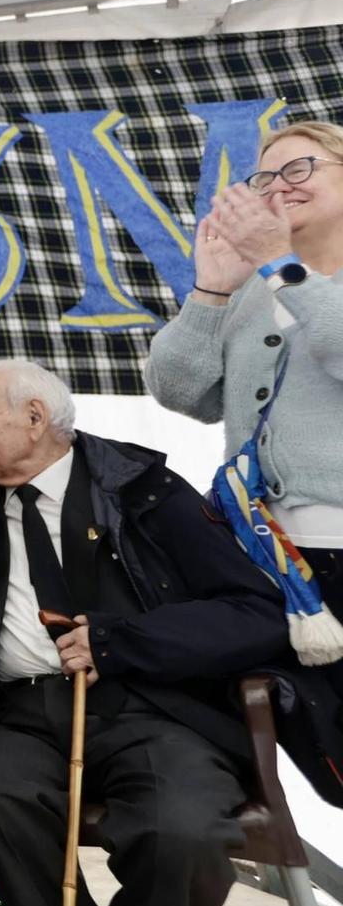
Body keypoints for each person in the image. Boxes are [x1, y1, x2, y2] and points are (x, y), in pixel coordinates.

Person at [0, 359, 289, 906]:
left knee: (180, 830)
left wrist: (120, 642)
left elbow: (257, 612)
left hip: (150, 709)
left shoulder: (145, 492)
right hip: (21, 714)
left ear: (34, 418)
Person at [147, 121, 343, 614]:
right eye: (265, 177)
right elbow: (181, 392)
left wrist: (278, 263)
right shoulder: (252, 290)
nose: (279, 184)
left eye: (300, 168)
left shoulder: (276, 273)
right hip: (257, 553)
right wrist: (211, 290)